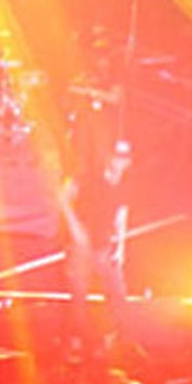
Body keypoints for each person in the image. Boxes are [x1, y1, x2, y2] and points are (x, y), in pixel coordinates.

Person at [59, 137, 131, 356]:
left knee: (117, 292)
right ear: (110, 157)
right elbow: (63, 196)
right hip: (81, 247)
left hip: (103, 246)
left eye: (124, 156)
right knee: (79, 295)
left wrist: (121, 249)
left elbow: (121, 218)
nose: (120, 160)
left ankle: (109, 340)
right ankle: (76, 344)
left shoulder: (124, 186)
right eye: (117, 155)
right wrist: (75, 228)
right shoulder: (90, 177)